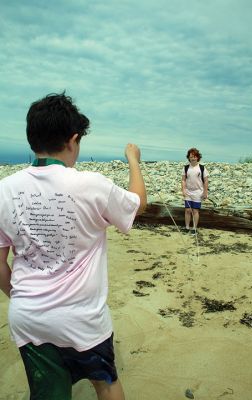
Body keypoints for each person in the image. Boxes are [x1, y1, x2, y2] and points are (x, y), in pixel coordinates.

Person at [0, 92, 147, 400]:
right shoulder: (90, 184)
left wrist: (22, 297)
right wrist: (133, 160)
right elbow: (137, 205)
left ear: (31, 139)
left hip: (28, 316)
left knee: (48, 392)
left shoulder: (4, 190)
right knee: (106, 384)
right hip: (81, 318)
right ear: (73, 139)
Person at [181, 147, 208, 234]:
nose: (193, 158)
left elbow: (206, 181)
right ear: (188, 157)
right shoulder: (185, 168)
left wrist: (205, 192)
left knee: (195, 211)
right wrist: (183, 190)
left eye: (195, 156)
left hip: (198, 192)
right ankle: (187, 227)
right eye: (191, 156)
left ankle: (194, 229)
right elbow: (183, 180)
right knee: (187, 210)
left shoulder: (202, 168)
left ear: (198, 157)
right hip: (188, 192)